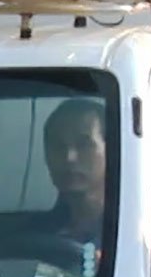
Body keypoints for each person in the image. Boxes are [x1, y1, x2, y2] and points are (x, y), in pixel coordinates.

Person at [42, 98, 109, 249]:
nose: (69, 157)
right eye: (58, 146)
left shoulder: (133, 233)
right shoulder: (34, 236)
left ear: (112, 150)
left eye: (84, 145)